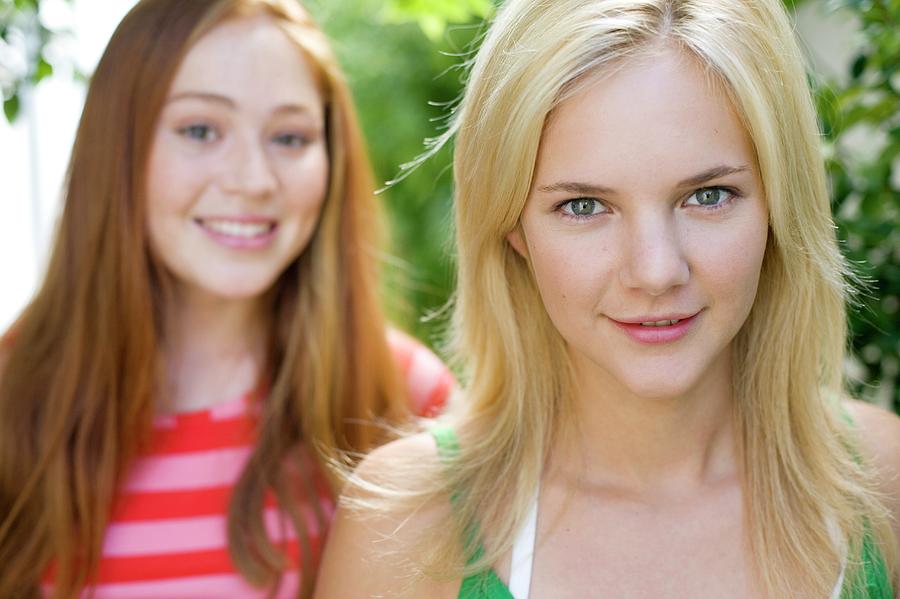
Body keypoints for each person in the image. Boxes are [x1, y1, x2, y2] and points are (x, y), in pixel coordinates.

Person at [315, 0, 900, 597]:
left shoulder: (885, 485)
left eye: (709, 195)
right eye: (584, 206)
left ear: (780, 201)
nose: (656, 271)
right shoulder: (407, 525)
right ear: (512, 225)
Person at [0, 0, 453, 597]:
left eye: (290, 137)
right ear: (118, 150)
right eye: (200, 130)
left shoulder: (403, 394)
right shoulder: (15, 393)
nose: (252, 179)